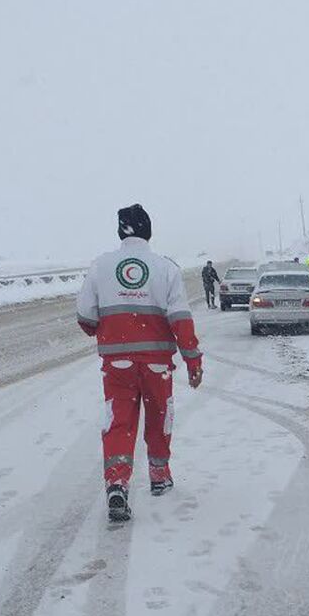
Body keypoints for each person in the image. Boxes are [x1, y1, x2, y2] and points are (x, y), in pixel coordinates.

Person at [76, 203, 202, 523]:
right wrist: (192, 358)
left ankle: (117, 482)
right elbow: (180, 318)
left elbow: (86, 316)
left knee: (118, 422)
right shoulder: (165, 268)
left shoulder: (100, 267)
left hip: (117, 365)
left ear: (121, 232)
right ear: (148, 231)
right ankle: (159, 475)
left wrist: (104, 329)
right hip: (157, 365)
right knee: (160, 417)